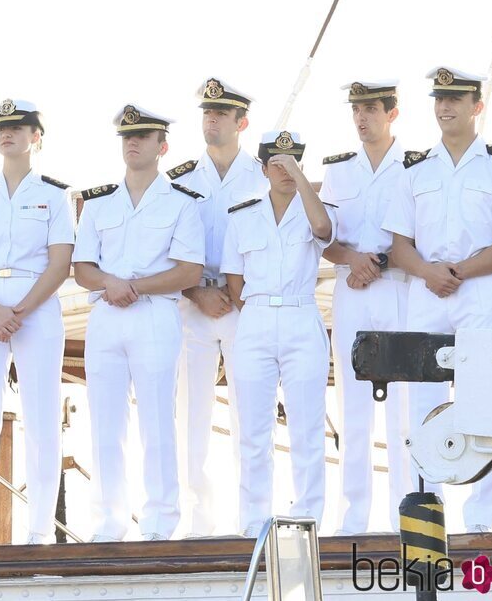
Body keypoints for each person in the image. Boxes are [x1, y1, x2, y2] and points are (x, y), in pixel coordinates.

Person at [382, 66, 492, 533]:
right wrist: (428, 272)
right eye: (440, 99)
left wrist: (458, 272)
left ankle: (481, 521)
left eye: (456, 100)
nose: (445, 107)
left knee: (486, 404)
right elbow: (399, 243)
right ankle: (428, 514)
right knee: (422, 405)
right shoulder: (416, 169)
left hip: (478, 288)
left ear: (476, 107)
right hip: (427, 291)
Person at [72, 104, 205, 542]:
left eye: (143, 136)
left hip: (155, 315)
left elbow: (189, 271)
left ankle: (160, 522)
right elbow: (82, 268)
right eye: (127, 136)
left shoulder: (182, 203)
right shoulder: (98, 203)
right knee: (105, 424)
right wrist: (112, 284)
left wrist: (134, 286)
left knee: (157, 422)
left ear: (161, 146)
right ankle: (109, 523)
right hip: (107, 317)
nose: (132, 142)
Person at [0, 99, 74, 546]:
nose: (8, 134)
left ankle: (40, 529)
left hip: (35, 303)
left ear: (35, 137)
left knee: (41, 418)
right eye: (2, 128)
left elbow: (60, 262)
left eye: (18, 127)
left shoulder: (53, 194)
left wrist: (18, 311)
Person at [221, 130, 336, 538]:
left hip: (301, 315)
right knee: (253, 428)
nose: (285, 170)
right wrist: (255, 312)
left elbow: (323, 229)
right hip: (255, 319)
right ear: (264, 167)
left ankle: (309, 518)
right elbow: (233, 280)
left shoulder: (314, 208)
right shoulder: (243, 214)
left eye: (293, 162)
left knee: (306, 426)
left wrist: (302, 180)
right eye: (277, 163)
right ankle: (253, 522)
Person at [166, 77, 266, 538]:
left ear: (241, 121)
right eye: (207, 112)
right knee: (192, 414)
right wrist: (196, 292)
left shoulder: (266, 177)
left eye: (221, 113)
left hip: (246, 305)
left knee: (251, 412)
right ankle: (198, 523)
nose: (212, 119)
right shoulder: (181, 179)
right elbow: (164, 247)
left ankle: (254, 519)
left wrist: (239, 291)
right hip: (193, 303)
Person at [319, 80, 410, 536]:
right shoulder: (339, 171)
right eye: (356, 109)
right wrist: (352, 259)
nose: (361, 117)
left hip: (398, 286)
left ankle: (406, 514)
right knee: (353, 407)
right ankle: (353, 519)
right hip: (350, 288)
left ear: (392, 113)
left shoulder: (414, 168)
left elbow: (419, 234)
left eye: (371, 108)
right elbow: (324, 237)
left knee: (403, 412)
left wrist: (375, 262)